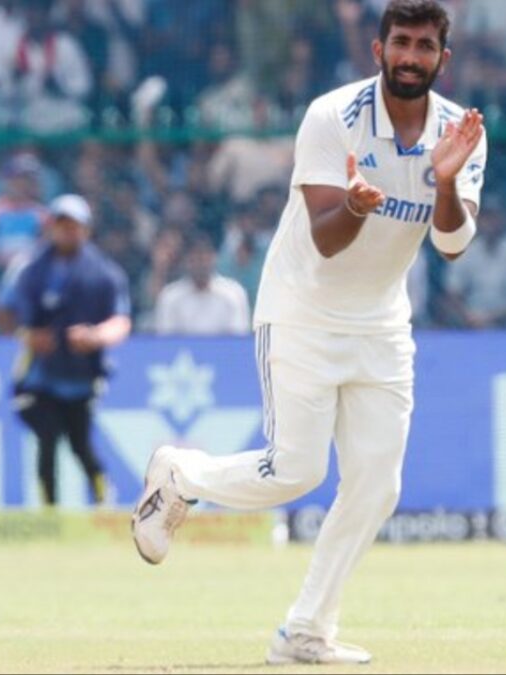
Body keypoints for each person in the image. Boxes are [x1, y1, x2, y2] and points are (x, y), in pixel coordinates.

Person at [129, 0, 487, 666]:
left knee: (378, 486)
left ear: (444, 57)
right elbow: (324, 240)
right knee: (295, 470)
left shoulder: (459, 130)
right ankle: (182, 474)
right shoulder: (333, 117)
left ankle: (305, 630)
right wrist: (355, 203)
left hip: (382, 323)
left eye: (425, 46)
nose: (412, 57)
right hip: (302, 311)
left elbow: (454, 245)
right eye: (401, 43)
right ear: (378, 51)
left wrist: (443, 180)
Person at [11, 194, 131, 507]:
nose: (67, 232)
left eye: (74, 226)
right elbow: (12, 314)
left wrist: (94, 336)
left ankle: (105, 501)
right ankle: (49, 513)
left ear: (86, 229)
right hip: (42, 375)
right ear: (51, 228)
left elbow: (120, 321)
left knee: (80, 444)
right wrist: (30, 336)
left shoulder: (104, 273)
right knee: (47, 440)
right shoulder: (33, 270)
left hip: (82, 376)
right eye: (61, 225)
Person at [154, 233, 251, 336]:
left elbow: (239, 340)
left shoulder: (233, 293)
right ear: (186, 260)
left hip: (224, 351)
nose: (200, 264)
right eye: (194, 258)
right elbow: (165, 341)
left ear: (214, 258)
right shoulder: (170, 296)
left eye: (204, 258)